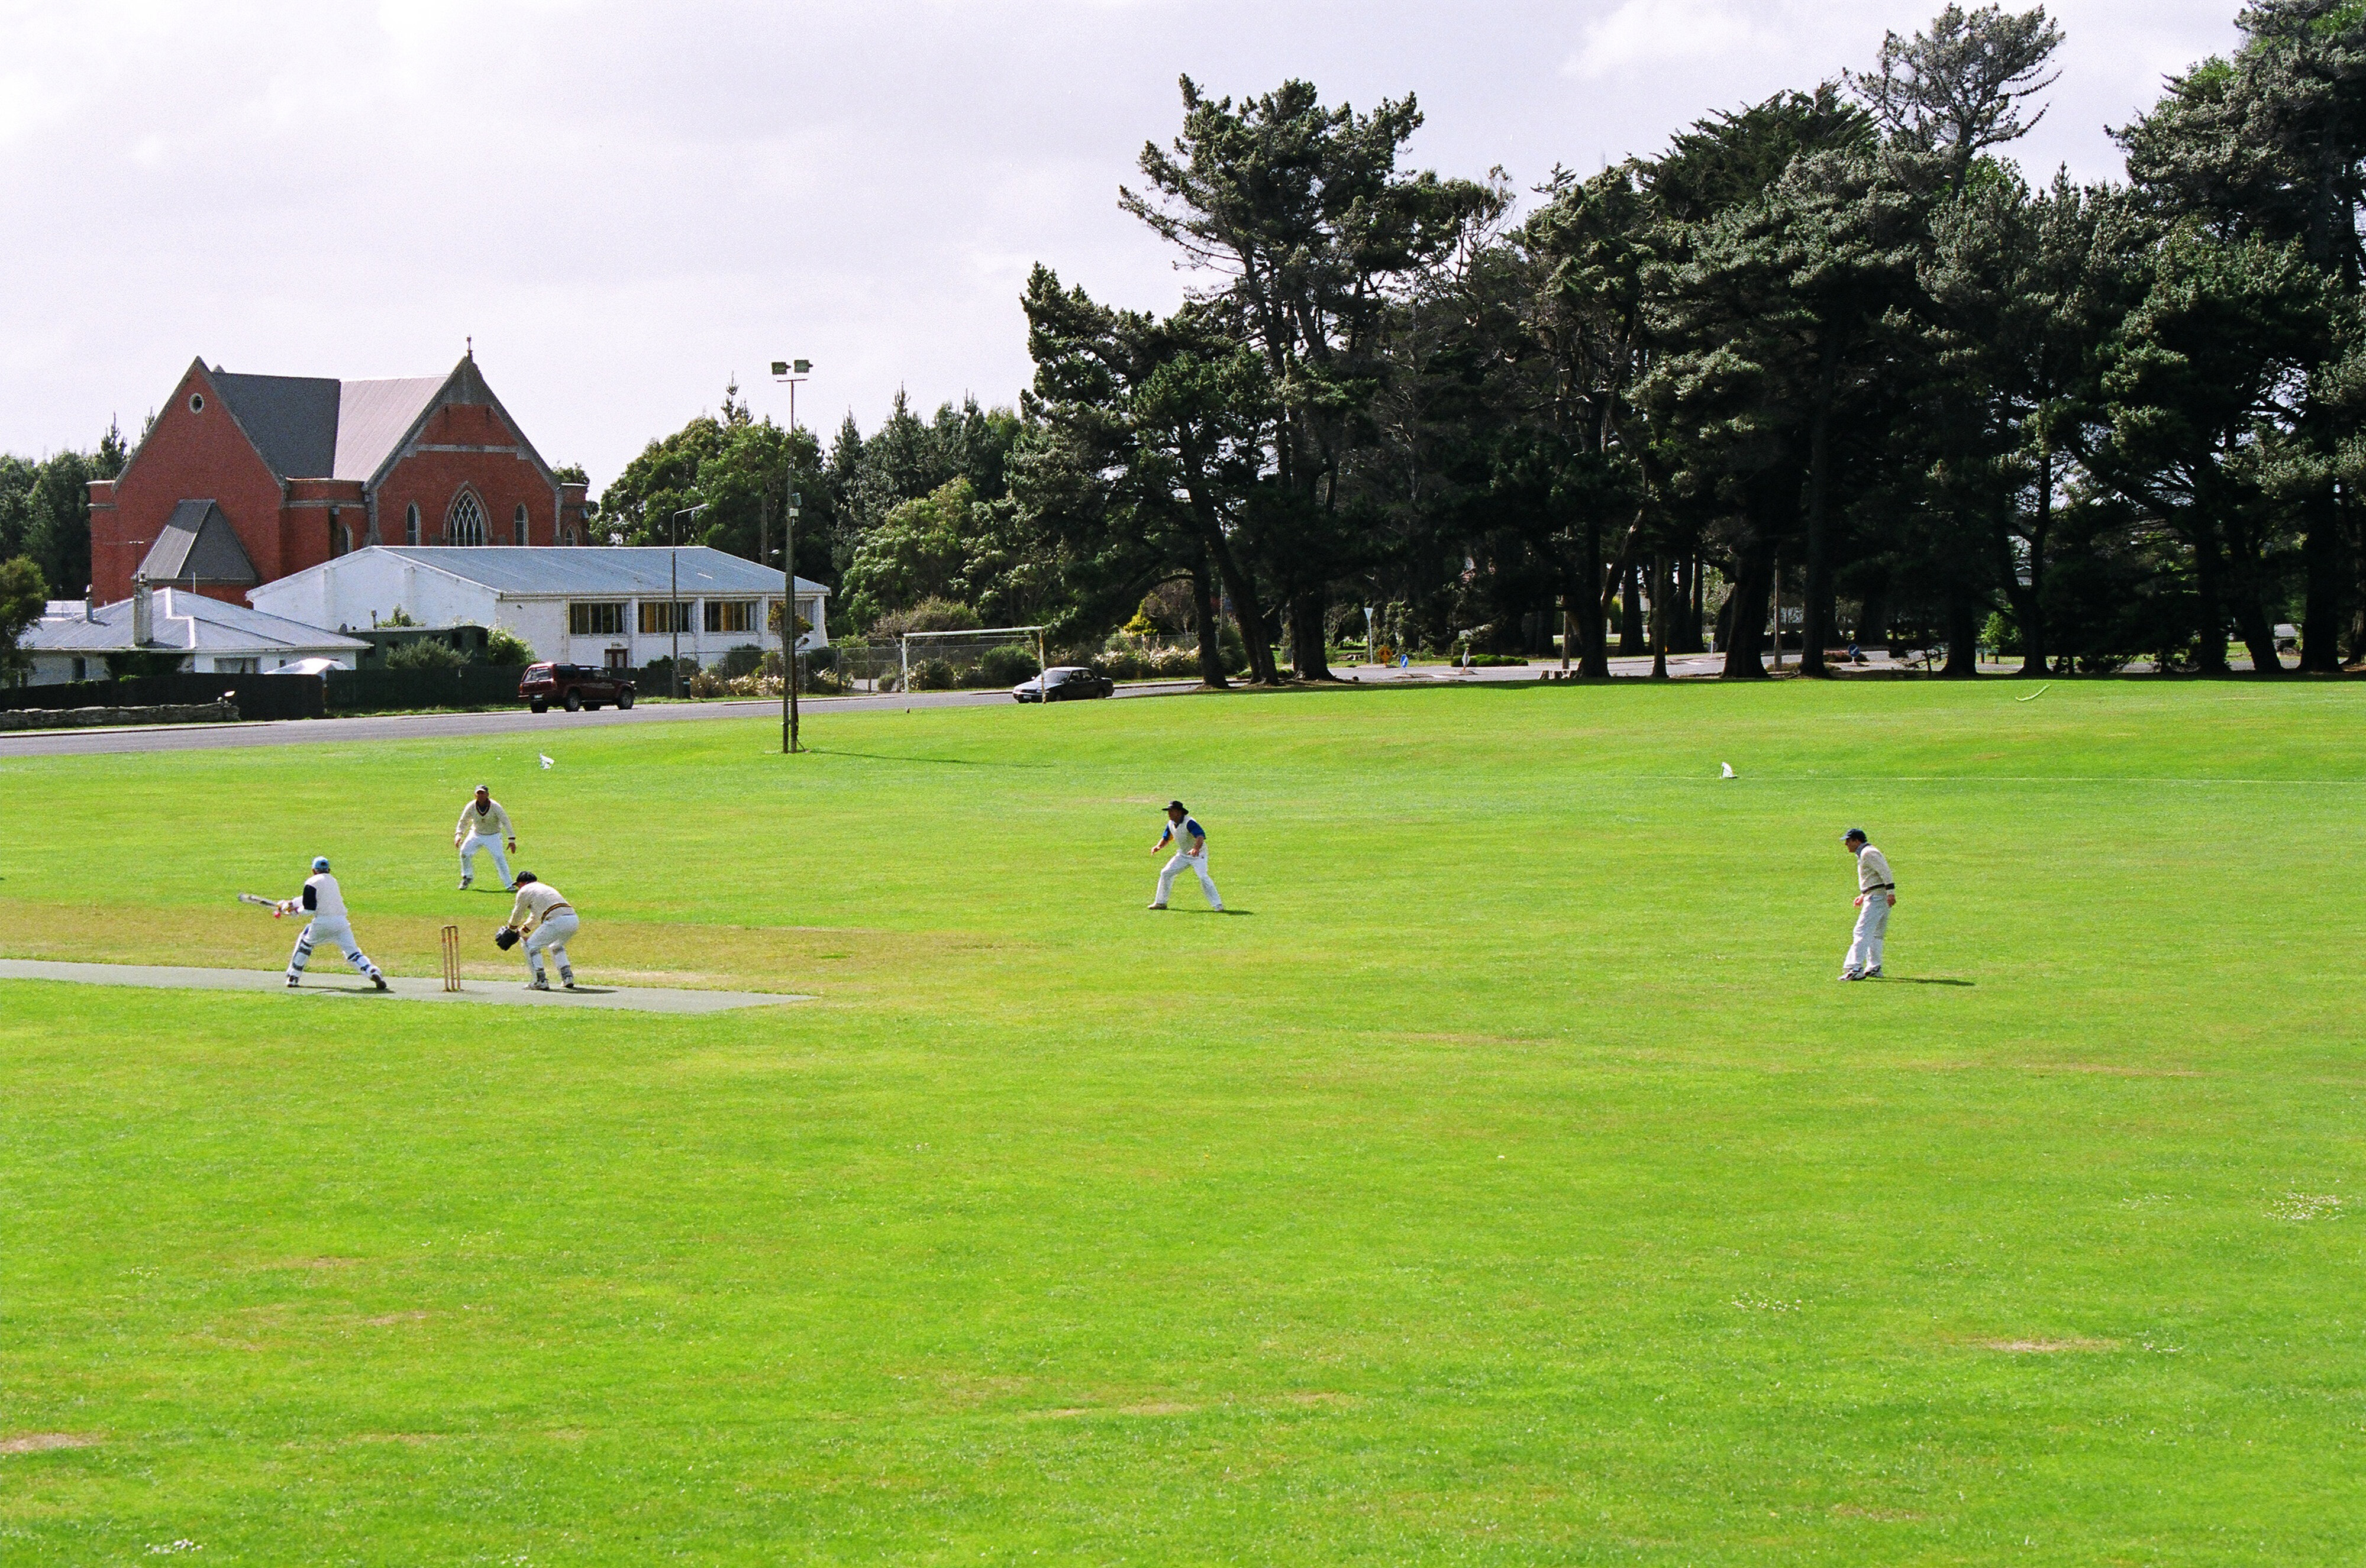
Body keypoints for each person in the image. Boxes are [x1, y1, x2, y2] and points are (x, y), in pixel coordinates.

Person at [280, 855, 388, 991]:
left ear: (314, 870)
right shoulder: (333, 882)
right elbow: (315, 898)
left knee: (305, 944)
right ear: (329, 870)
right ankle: (371, 971)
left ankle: (294, 976)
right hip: (341, 923)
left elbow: (309, 909)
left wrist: (295, 912)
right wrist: (291, 903)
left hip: (323, 923)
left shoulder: (311, 882)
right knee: (353, 953)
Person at [501, 871, 579, 990]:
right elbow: (535, 916)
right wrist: (521, 932)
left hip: (556, 920)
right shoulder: (544, 889)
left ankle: (540, 981)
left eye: (518, 885)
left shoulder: (525, 890)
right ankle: (567, 977)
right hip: (573, 920)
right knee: (556, 945)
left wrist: (511, 929)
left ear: (522, 883)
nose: (518, 888)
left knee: (530, 945)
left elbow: (518, 912)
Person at [1840, 828, 1896, 981]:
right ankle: (1874, 967)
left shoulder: (1868, 853)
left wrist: (1891, 893)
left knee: (1861, 932)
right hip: (1876, 896)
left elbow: (1885, 872)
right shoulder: (1866, 853)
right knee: (1877, 933)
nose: (1846, 844)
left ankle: (1855, 968)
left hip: (1877, 898)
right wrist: (1864, 895)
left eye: (1849, 841)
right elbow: (1876, 877)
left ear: (1857, 841)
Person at [1150, 801, 1223, 911]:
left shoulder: (1190, 823)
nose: (1169, 814)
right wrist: (1159, 846)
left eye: (1172, 811)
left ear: (1179, 812)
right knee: (1166, 873)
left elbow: (1200, 836)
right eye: (1169, 811)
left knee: (1203, 877)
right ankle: (1161, 903)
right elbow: (1166, 837)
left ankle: (1218, 905)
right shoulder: (1171, 823)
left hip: (1198, 855)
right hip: (1183, 855)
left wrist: (1196, 849)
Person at [454, 784, 517, 891]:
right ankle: (467, 877)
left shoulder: (495, 806)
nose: (481, 796)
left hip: (493, 835)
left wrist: (511, 839)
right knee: (464, 852)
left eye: (483, 793)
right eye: (478, 793)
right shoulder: (471, 806)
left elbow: (506, 821)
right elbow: (464, 821)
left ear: (488, 794)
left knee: (499, 858)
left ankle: (509, 884)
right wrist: (459, 834)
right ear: (475, 795)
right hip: (476, 834)